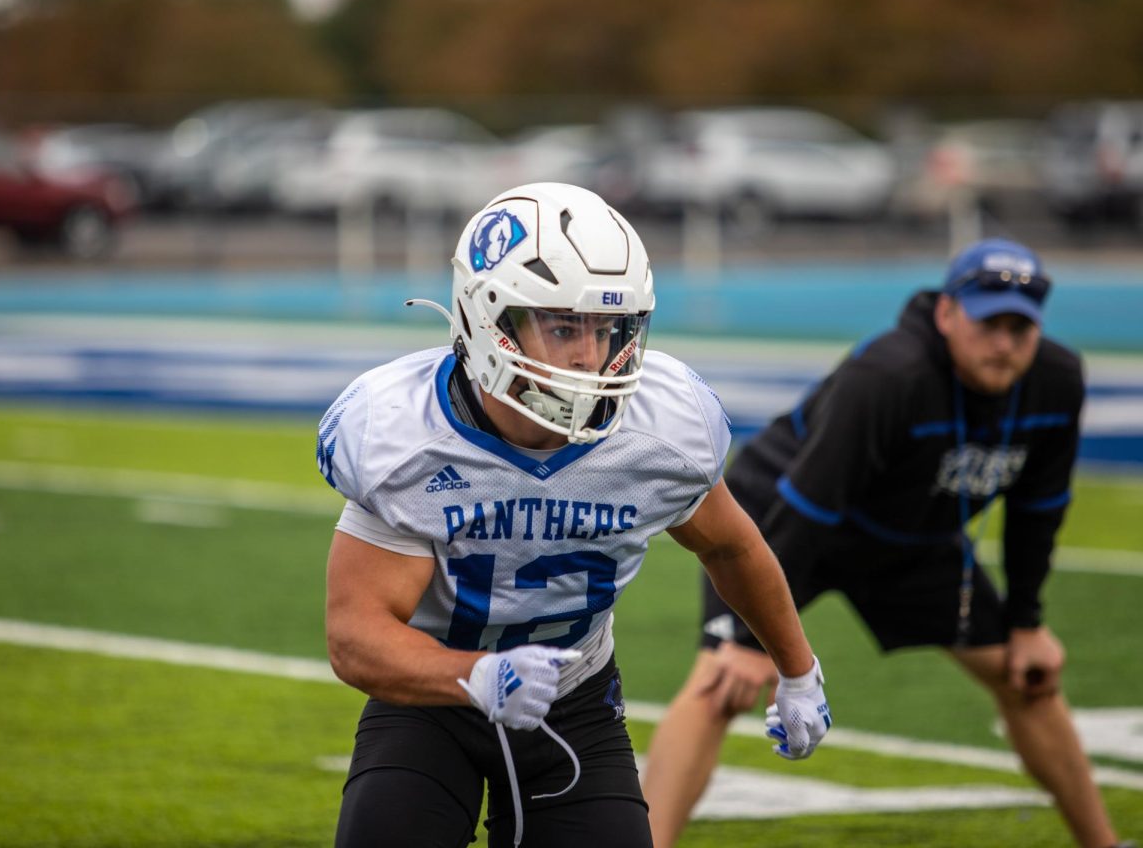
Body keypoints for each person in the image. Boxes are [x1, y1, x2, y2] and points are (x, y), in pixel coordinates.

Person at [316, 182, 832, 848]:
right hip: (432, 699)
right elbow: (355, 633)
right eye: (562, 327)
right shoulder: (405, 436)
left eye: (607, 328)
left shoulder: (661, 428)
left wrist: (798, 668)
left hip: (577, 696)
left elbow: (731, 547)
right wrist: (470, 676)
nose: (589, 356)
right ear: (487, 320)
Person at [642, 238, 1132, 848]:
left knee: (1027, 675)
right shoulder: (888, 374)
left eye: (1020, 328)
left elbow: (1040, 507)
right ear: (949, 314)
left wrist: (1027, 621)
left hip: (912, 538)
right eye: (989, 323)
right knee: (722, 682)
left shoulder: (1056, 382)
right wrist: (747, 641)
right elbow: (811, 503)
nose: (1004, 344)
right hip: (788, 521)